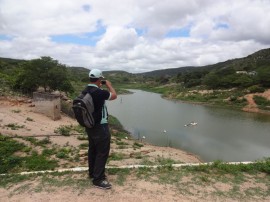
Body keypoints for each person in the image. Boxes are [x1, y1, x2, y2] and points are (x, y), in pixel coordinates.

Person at [83, 68, 117, 189]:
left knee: (93, 150)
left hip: (90, 125)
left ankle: (92, 173)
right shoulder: (99, 93)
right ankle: (98, 179)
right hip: (100, 126)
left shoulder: (86, 90)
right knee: (102, 152)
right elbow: (114, 96)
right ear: (99, 79)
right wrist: (109, 85)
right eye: (101, 79)